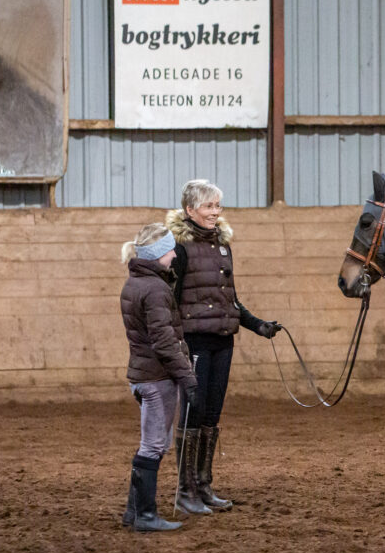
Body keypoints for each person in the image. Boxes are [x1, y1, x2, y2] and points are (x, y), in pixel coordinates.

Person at [166, 180, 282, 515]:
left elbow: (229, 300)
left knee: (212, 413)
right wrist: (175, 344)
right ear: (190, 209)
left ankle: (204, 486)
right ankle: (184, 491)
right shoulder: (180, 247)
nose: (215, 212)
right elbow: (169, 300)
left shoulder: (222, 245)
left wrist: (257, 324)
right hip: (194, 341)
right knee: (193, 411)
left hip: (222, 340)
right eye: (208, 206)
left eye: (218, 206)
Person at [119, 223, 197, 532]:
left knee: (152, 444)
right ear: (160, 253)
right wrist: (188, 378)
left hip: (144, 374)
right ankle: (145, 515)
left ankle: (134, 511)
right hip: (156, 377)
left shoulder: (137, 283)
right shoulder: (154, 289)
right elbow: (164, 342)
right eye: (170, 249)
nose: (174, 254)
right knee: (152, 446)